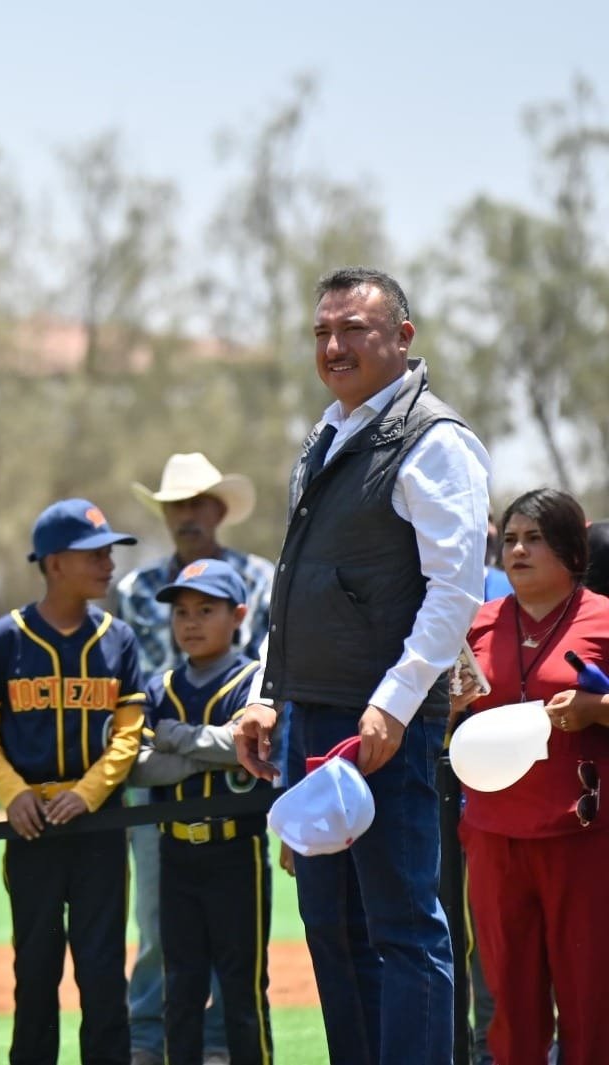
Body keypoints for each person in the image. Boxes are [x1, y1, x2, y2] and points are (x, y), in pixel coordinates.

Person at [234, 266, 490, 1065]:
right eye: (322, 332)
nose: (334, 346)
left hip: (384, 725)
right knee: (331, 925)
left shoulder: (436, 441)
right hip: (311, 715)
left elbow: (455, 591)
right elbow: (299, 581)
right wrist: (266, 693)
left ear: (403, 337)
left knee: (403, 926)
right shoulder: (327, 435)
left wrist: (395, 702)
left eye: (354, 329)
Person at [0, 498, 145, 1065]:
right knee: (36, 971)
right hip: (33, 826)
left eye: (110, 552)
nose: (108, 564)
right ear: (55, 563)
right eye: (95, 554)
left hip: (100, 826)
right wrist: (14, 794)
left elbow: (129, 733)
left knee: (103, 971)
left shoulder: (119, 638)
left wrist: (88, 793)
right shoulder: (6, 638)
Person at [117, 452, 275, 1065]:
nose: (186, 514)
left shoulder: (260, 580)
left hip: (235, 828)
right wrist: (206, 747)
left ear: (219, 509)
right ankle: (146, 1035)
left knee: (240, 975)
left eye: (197, 503)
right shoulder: (135, 588)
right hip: (166, 807)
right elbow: (138, 752)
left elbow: (251, 743)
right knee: (160, 931)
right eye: (175, 505)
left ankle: (219, 1046)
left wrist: (175, 737)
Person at [450, 488, 609, 1065]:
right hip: (493, 837)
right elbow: (441, 718)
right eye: (512, 538)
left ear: (571, 550)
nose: (517, 550)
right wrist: (445, 707)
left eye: (534, 538)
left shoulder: (603, 619)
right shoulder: (475, 626)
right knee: (511, 1007)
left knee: (590, 1001)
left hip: (582, 838)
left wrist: (597, 709)